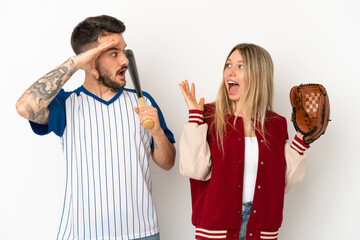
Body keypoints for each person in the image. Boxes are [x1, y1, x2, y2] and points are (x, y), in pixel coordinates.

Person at [16, 15, 175, 240]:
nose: (125, 61)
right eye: (114, 53)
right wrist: (75, 62)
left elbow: (168, 163)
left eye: (124, 51)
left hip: (142, 231)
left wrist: (157, 132)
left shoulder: (143, 101)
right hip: (83, 233)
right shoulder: (66, 105)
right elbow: (24, 108)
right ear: (90, 62)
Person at [179, 43, 310, 240]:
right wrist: (195, 117)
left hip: (261, 228)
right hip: (216, 227)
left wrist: (302, 137)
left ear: (259, 74)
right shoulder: (207, 115)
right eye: (228, 65)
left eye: (240, 66)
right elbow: (193, 169)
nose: (230, 72)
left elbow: (282, 182)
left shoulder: (276, 124)